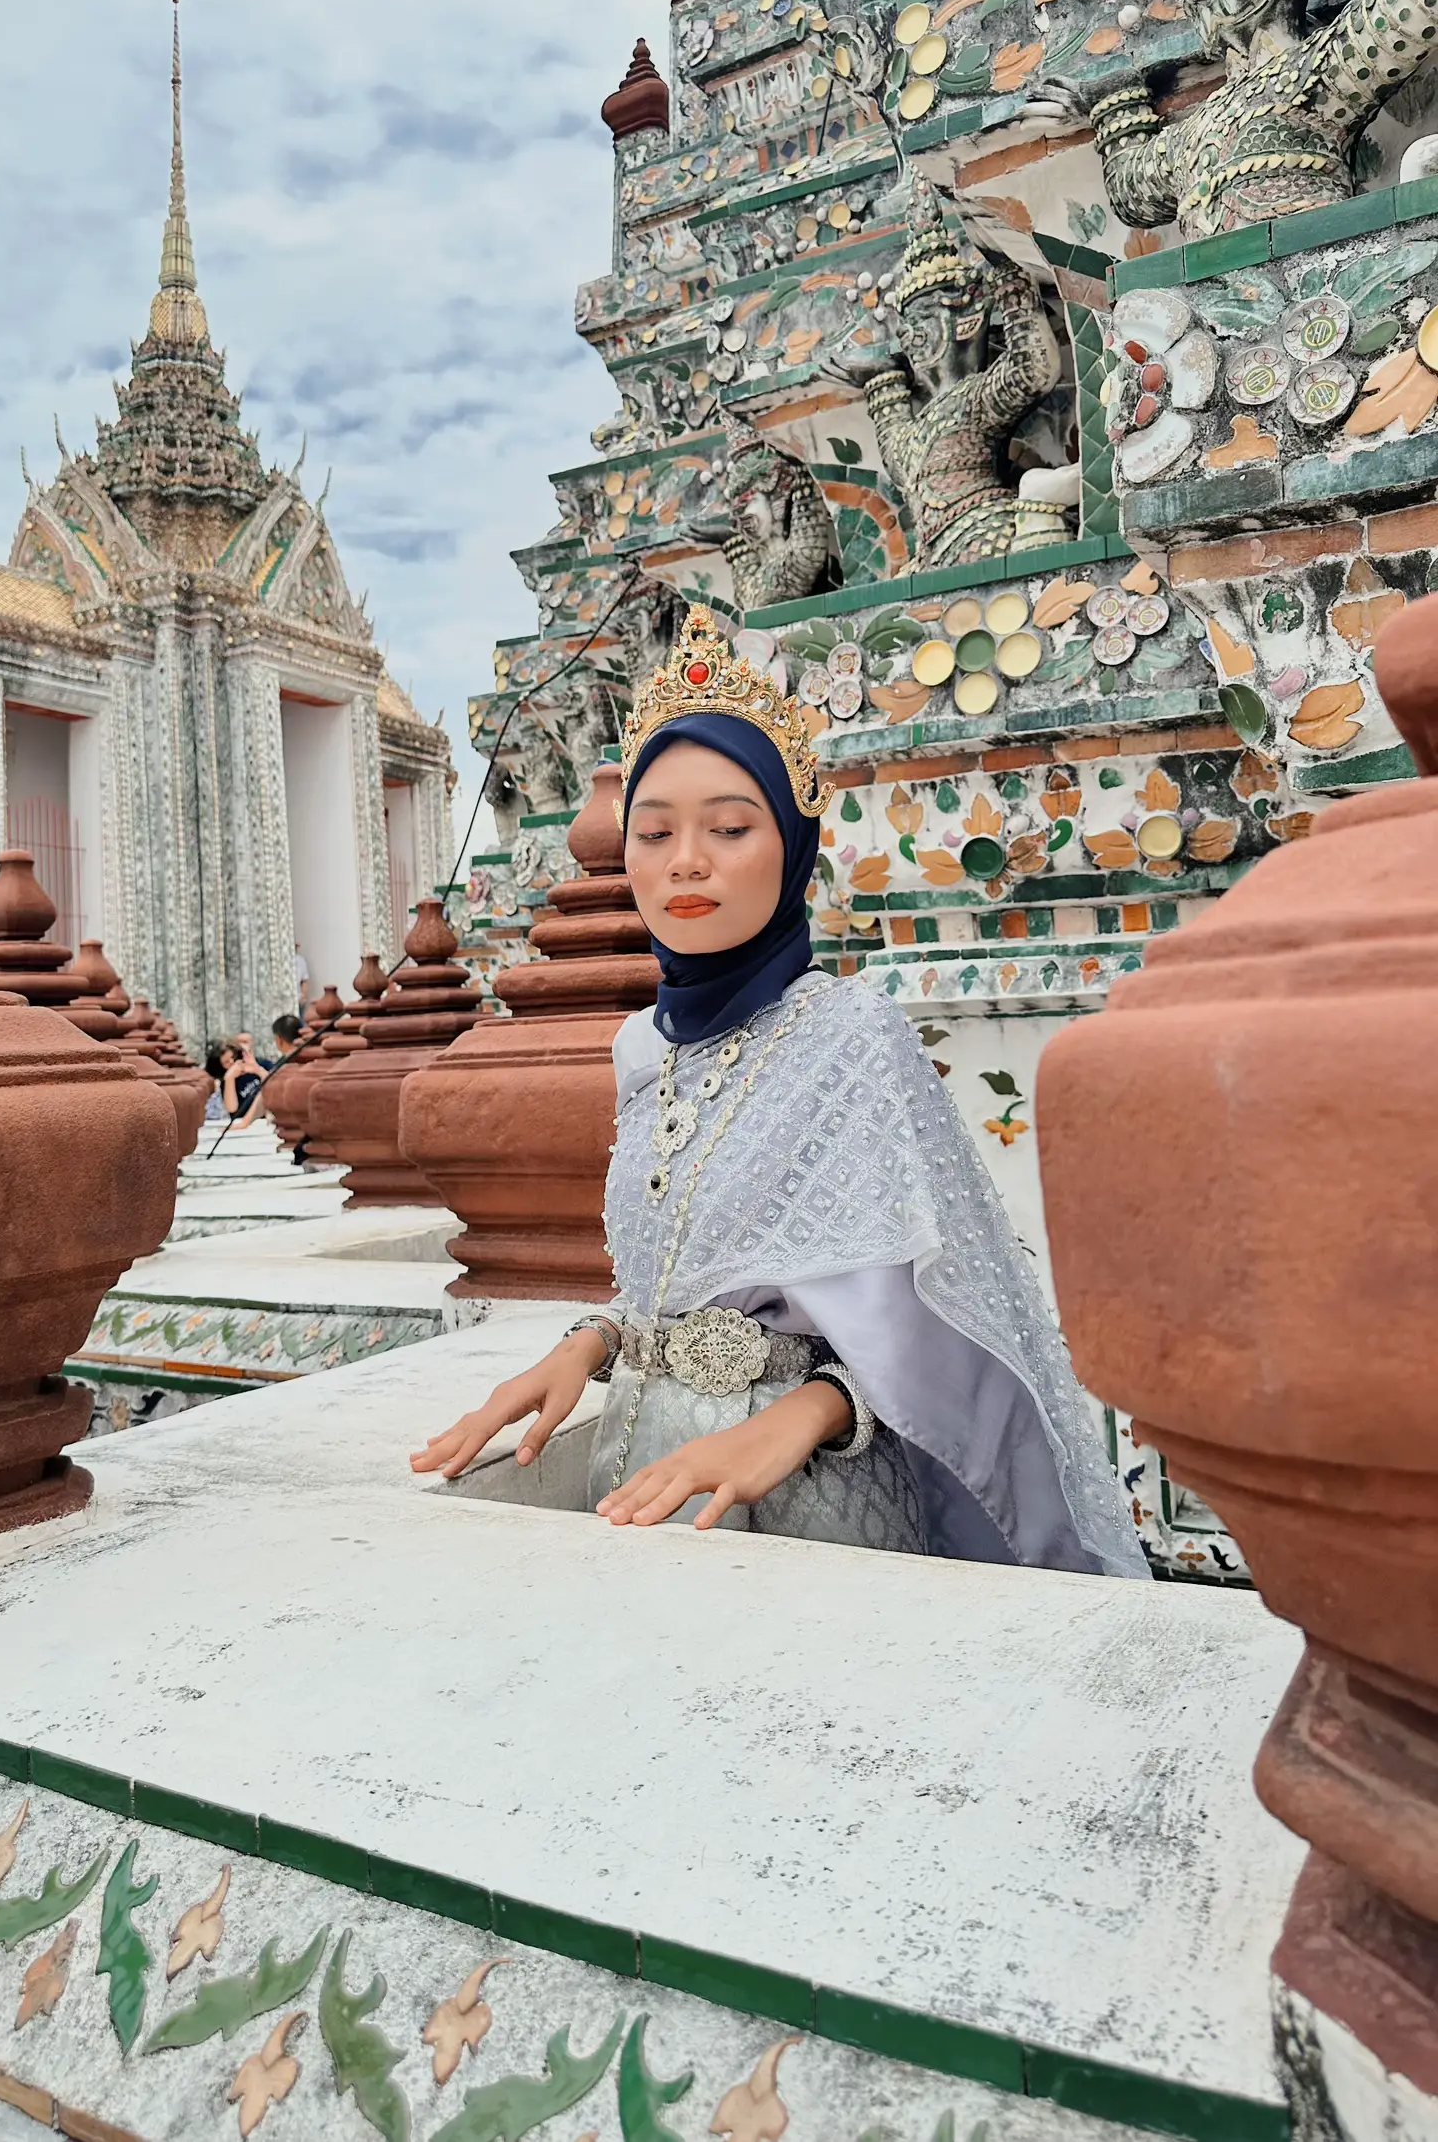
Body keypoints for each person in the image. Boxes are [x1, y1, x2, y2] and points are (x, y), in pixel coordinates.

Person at [412, 609, 1145, 1577]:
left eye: (728, 826)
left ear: (793, 846)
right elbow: (674, 1276)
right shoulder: (641, 1046)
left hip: (813, 1487)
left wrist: (800, 1415)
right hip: (647, 1460)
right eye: (655, 830)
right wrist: (582, 1346)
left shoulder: (849, 1031)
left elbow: (952, 1310)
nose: (685, 860)